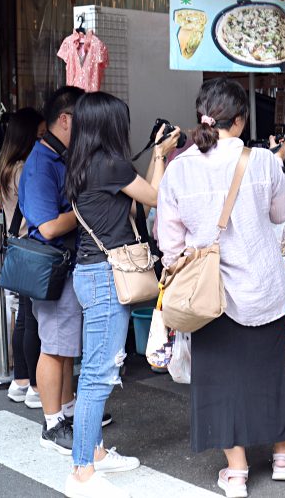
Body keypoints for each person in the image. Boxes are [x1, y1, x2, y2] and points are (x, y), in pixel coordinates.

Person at [157, 78, 285, 498]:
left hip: (210, 292)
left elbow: (170, 242)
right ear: (239, 120)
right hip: (262, 288)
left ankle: (235, 472)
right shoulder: (262, 161)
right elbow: (282, 211)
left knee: (220, 380)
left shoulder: (179, 167)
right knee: (270, 374)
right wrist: (278, 163)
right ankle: (283, 457)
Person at [63, 92, 181, 498]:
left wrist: (157, 154)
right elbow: (155, 196)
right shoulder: (109, 165)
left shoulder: (82, 164)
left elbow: (140, 193)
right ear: (108, 125)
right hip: (105, 276)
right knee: (97, 375)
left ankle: (94, 453)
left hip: (93, 273)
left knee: (98, 368)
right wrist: (162, 155)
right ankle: (81, 472)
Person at [19, 86, 89, 454]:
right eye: (82, 118)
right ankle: (52, 424)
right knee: (54, 348)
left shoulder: (56, 157)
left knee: (63, 348)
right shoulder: (42, 163)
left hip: (62, 266)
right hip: (51, 266)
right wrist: (84, 211)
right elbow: (47, 227)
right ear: (65, 120)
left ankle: (65, 413)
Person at [0, 107, 46, 408]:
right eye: (40, 135)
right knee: (32, 319)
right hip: (32, 249)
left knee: (24, 319)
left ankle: (21, 381)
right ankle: (36, 387)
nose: (44, 141)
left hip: (17, 248)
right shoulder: (25, 167)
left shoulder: (6, 165)